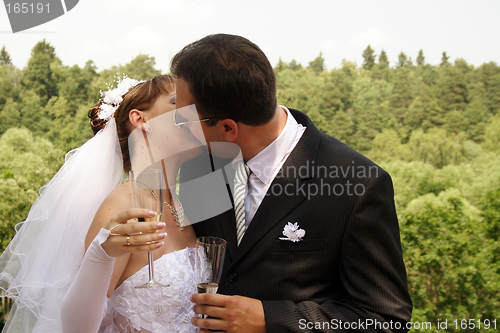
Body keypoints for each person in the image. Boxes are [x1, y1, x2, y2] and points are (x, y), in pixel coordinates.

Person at [172, 34, 413, 332]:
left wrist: (269, 319)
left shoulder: (359, 185)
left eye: (183, 120)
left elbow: (384, 319)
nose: (178, 128)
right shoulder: (198, 167)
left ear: (227, 128)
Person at [0, 75, 201, 333]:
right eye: (178, 103)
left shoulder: (183, 204)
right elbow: (77, 329)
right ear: (141, 120)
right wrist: (102, 253)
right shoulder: (120, 209)